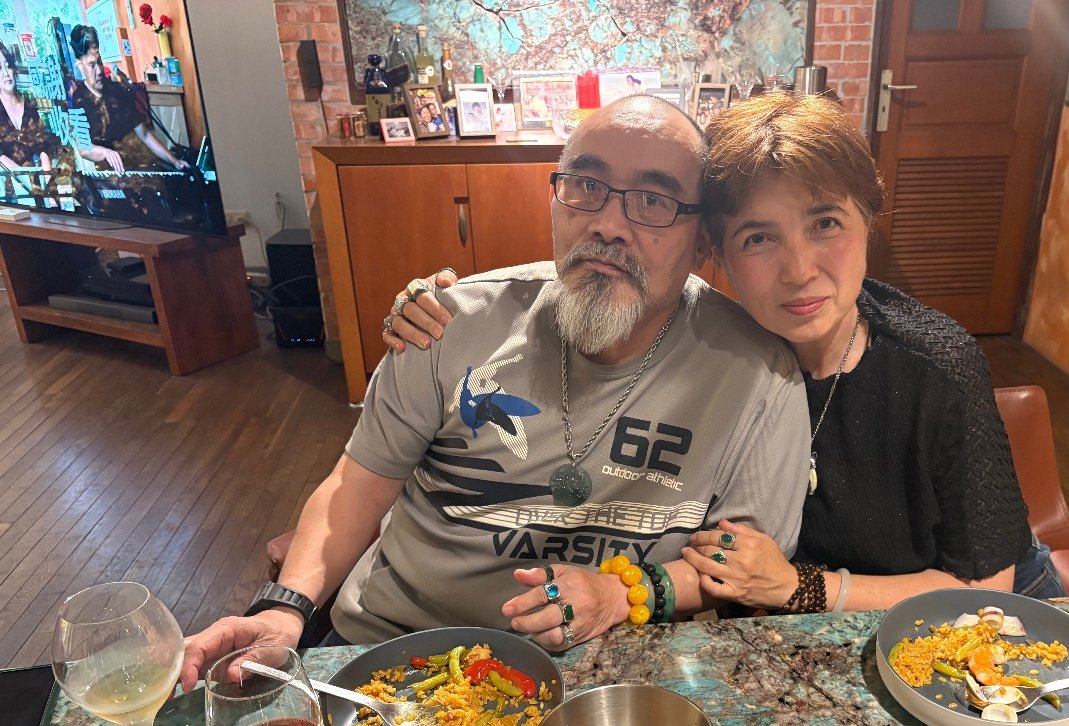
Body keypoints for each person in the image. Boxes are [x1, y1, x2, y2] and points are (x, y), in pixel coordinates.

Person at [178, 95, 808, 690]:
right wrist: (284, 609)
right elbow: (357, 486)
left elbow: (739, 565)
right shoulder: (446, 323)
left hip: (611, 673)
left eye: (653, 200)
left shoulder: (757, 372)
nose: (609, 224)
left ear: (703, 240)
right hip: (400, 646)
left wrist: (624, 592)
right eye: (586, 186)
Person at [386, 93, 1061, 616]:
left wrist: (801, 587)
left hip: (981, 624)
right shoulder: (709, 351)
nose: (800, 270)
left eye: (826, 223)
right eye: (759, 238)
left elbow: (987, 589)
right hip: (796, 637)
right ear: (711, 251)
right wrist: (451, 305)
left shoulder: (937, 364)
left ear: (869, 222)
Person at [66, 25, 189, 175]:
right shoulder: (78, 101)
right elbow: (84, 149)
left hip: (144, 167)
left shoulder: (119, 90)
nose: (99, 70)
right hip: (116, 176)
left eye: (100, 62)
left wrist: (175, 161)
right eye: (91, 65)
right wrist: (105, 152)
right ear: (80, 66)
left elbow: (144, 134)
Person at [0, 42, 61, 205]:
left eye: (8, 66)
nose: (5, 73)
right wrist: (29, 184)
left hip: (34, 185)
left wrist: (48, 185)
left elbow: (43, 148)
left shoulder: (29, 105)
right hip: (8, 190)